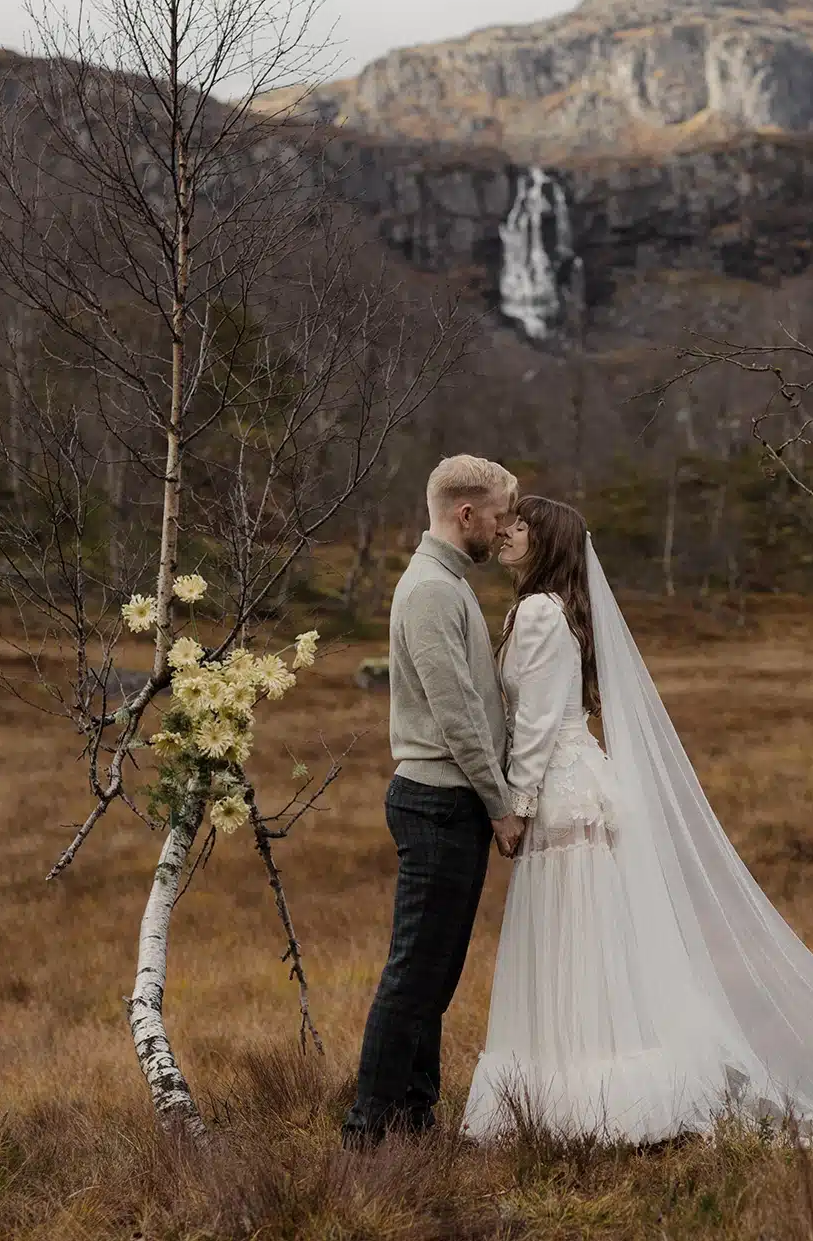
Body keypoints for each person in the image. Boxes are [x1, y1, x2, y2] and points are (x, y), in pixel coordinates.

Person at [462, 496, 813, 1144]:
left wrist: (516, 804)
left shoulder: (537, 613)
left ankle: (580, 1096)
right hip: (580, 787)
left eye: (520, 525)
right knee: (587, 940)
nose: (505, 532)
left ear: (547, 542)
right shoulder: (554, 610)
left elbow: (536, 723)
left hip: (559, 793)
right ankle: (589, 1082)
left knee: (570, 938)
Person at [342, 455, 527, 1148]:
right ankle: (366, 1135)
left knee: (434, 978)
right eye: (499, 516)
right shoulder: (429, 591)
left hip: (451, 802)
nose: (504, 529)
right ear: (465, 514)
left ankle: (414, 1123)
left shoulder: (448, 584)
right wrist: (501, 804)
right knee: (414, 977)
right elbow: (457, 716)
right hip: (437, 802)